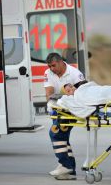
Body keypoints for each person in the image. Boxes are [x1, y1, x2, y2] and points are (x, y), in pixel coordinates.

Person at [44, 52, 85, 180]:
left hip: (71, 109)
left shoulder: (74, 73)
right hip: (58, 108)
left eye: (53, 65)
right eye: (49, 66)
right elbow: (49, 92)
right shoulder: (48, 73)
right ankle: (70, 171)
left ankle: (65, 164)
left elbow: (83, 93)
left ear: (61, 62)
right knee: (63, 137)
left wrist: (71, 93)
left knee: (55, 134)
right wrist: (51, 103)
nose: (51, 68)